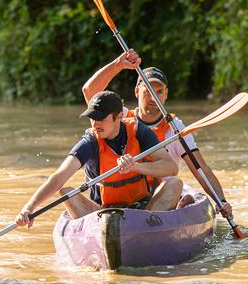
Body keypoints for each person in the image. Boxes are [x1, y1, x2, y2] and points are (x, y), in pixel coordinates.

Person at [81, 51, 233, 218]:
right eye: (148, 91)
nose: (154, 98)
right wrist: (118, 64)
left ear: (166, 94)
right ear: (137, 92)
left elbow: (201, 168)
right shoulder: (120, 117)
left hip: (159, 200)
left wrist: (221, 200)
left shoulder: (175, 129)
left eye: (159, 91)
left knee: (178, 187)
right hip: (122, 196)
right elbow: (90, 91)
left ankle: (176, 208)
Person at [15, 90, 180, 228]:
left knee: (175, 184)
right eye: (93, 118)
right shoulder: (90, 142)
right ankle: (102, 234)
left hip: (142, 210)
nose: (95, 124)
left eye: (101, 118)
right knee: (66, 193)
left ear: (117, 117)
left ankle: (146, 230)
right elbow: (59, 177)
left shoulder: (139, 131)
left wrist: (135, 167)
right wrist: (29, 207)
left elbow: (171, 168)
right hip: (102, 213)